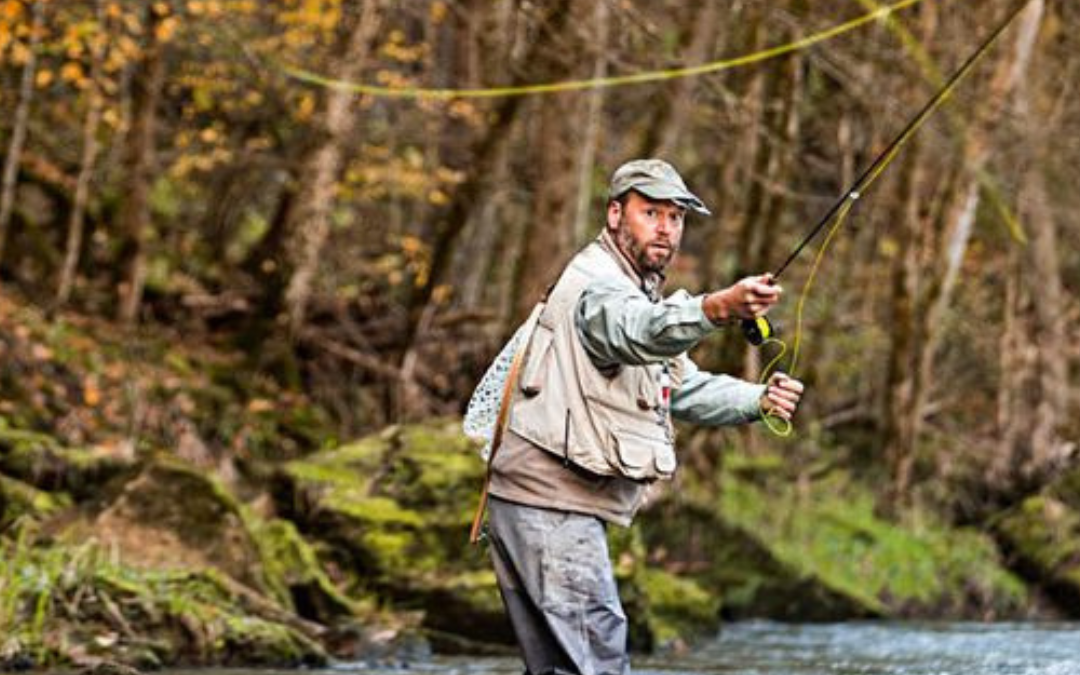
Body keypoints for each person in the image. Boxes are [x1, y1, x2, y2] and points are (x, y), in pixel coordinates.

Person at [482, 158, 804, 675]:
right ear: (615, 215)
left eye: (675, 218)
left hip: (539, 502)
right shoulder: (599, 287)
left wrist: (756, 401)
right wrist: (716, 308)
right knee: (599, 655)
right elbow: (637, 332)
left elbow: (677, 385)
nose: (665, 228)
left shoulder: (633, 290)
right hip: (548, 502)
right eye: (650, 213)